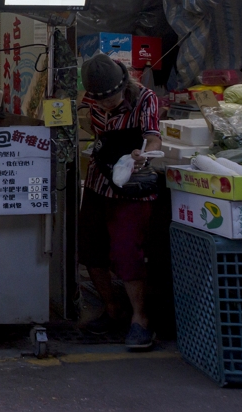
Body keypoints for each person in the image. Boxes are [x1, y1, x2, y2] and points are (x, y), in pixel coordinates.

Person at [78, 52, 162, 351]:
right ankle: (112, 310)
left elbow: (153, 138)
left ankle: (141, 320)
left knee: (128, 251)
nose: (105, 105)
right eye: (99, 100)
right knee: (90, 249)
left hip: (132, 188)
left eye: (110, 99)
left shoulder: (145, 99)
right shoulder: (89, 100)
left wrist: (144, 154)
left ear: (123, 83)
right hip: (99, 182)